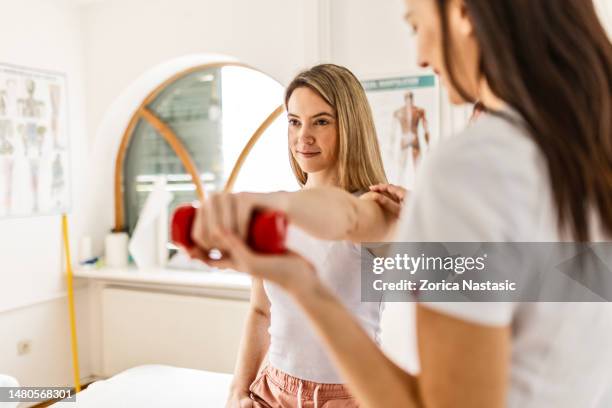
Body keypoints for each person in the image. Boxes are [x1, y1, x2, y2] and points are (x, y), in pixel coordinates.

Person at [188, 0, 612, 406]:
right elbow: (530, 286)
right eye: (295, 122)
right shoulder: (589, 158)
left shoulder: (474, 167)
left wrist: (302, 283)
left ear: (463, 12)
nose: (421, 55)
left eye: (415, 24)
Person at [190, 63, 401, 408]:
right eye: (294, 121)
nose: (303, 136)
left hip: (347, 396)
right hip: (272, 388)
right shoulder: (277, 211)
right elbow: (260, 311)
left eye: (321, 121)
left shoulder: (375, 210)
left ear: (350, 125)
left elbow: (342, 217)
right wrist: (238, 389)